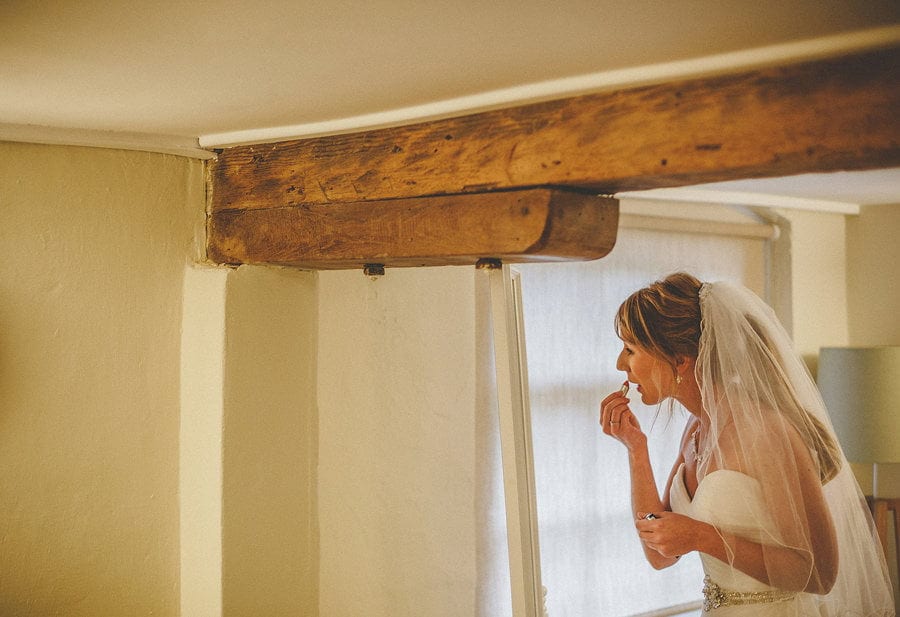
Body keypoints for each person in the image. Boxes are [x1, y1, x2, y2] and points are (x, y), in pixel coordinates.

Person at [599, 273, 894, 616]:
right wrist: (636, 450)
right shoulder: (695, 431)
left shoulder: (765, 434)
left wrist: (703, 538)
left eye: (630, 349)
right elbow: (660, 554)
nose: (621, 364)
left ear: (680, 360)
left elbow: (819, 573)